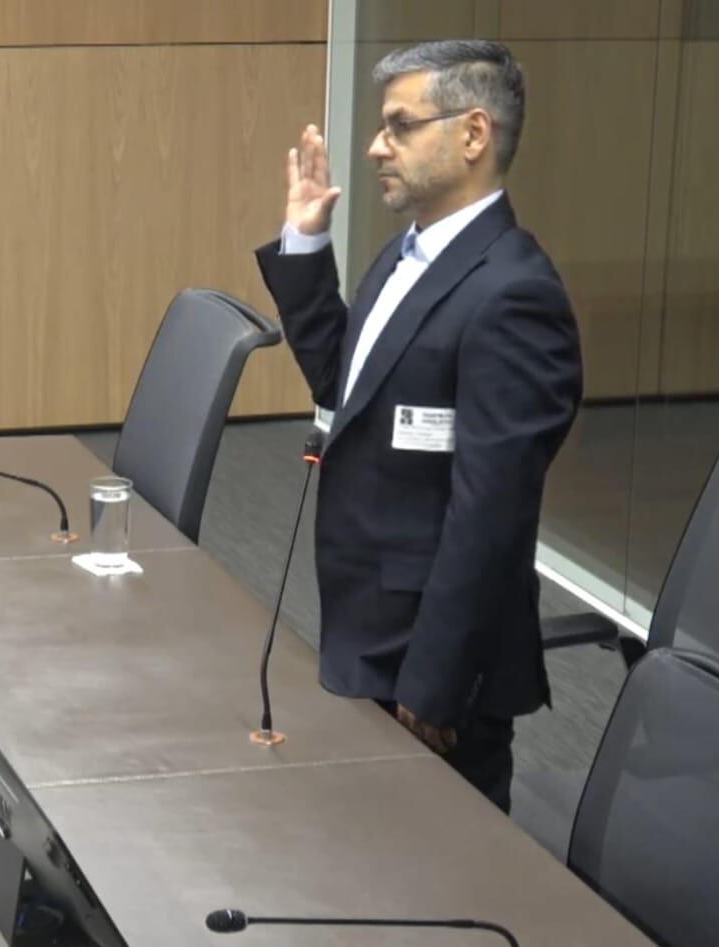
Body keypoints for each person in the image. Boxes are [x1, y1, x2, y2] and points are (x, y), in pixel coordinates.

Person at [254, 40, 583, 811]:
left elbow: (490, 513)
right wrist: (305, 241)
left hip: (434, 669)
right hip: (369, 626)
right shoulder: (407, 255)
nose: (375, 146)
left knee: (445, 885)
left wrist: (433, 684)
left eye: (401, 126)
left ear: (473, 136)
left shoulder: (514, 297)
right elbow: (347, 384)